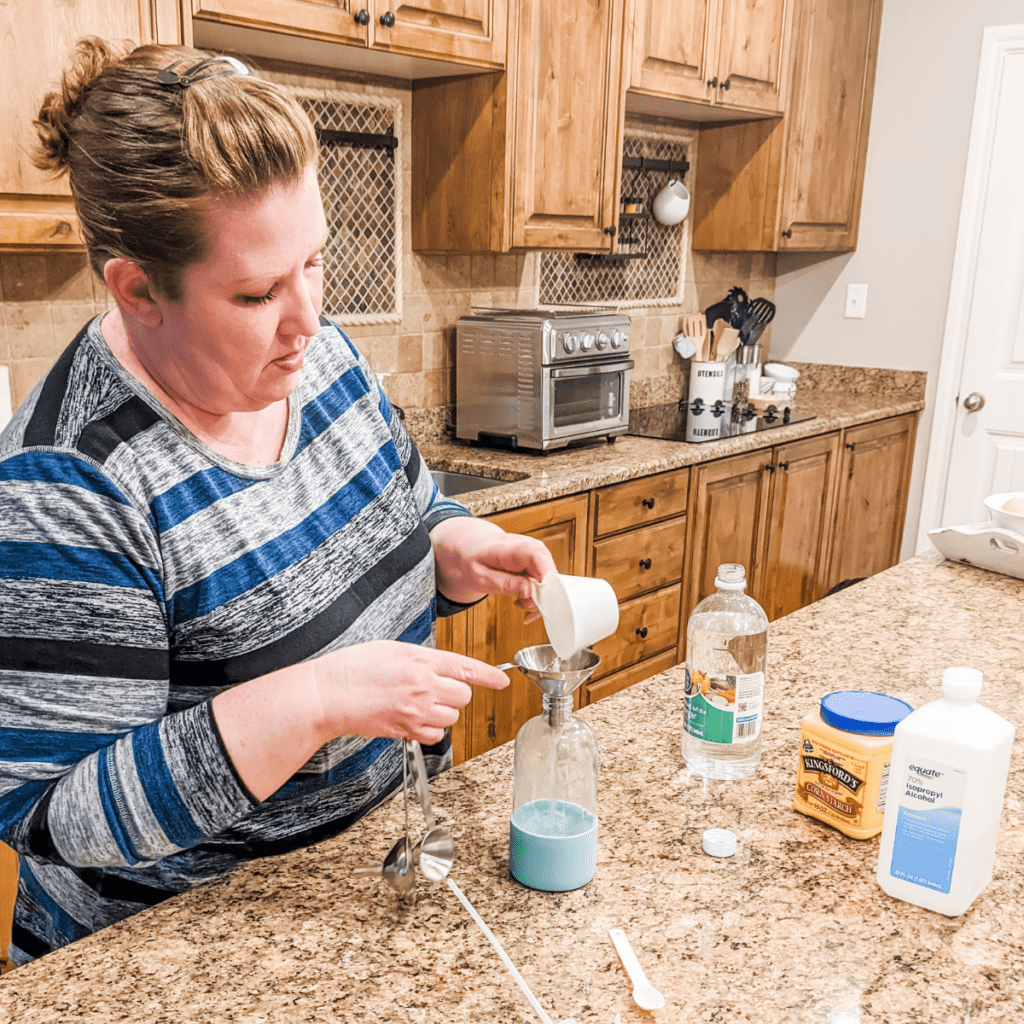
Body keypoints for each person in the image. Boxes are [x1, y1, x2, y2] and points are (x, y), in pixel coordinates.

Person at [0, 39, 556, 966]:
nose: (307, 319)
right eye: (258, 292)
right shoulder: (69, 483)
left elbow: (400, 511)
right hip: (182, 956)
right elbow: (50, 815)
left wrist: (453, 547)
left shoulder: (319, 355)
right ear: (139, 290)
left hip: (362, 889)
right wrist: (316, 700)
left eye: (315, 263)